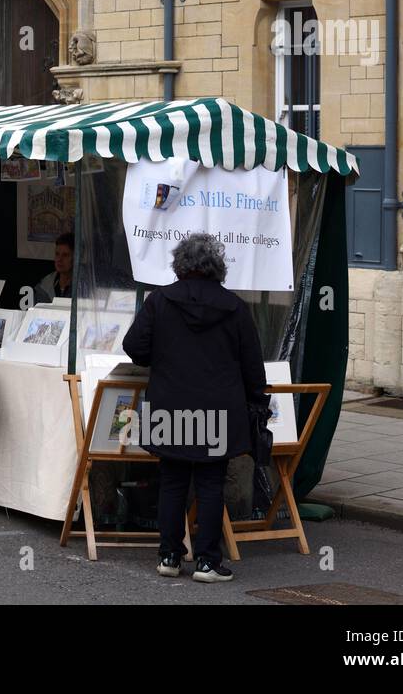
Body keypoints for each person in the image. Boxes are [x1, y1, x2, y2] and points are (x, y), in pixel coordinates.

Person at [121, 232, 267, 584]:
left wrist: (158, 356)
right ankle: (206, 562)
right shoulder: (234, 307)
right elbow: (252, 365)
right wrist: (258, 402)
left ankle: (169, 556)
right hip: (217, 407)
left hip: (171, 404)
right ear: (217, 267)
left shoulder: (160, 301)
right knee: (210, 482)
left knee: (172, 480)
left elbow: (133, 346)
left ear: (180, 266)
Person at [35, 231, 75, 302]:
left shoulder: (85, 288)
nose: (59, 259)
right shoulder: (45, 286)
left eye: (65, 255)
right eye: (57, 254)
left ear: (75, 258)